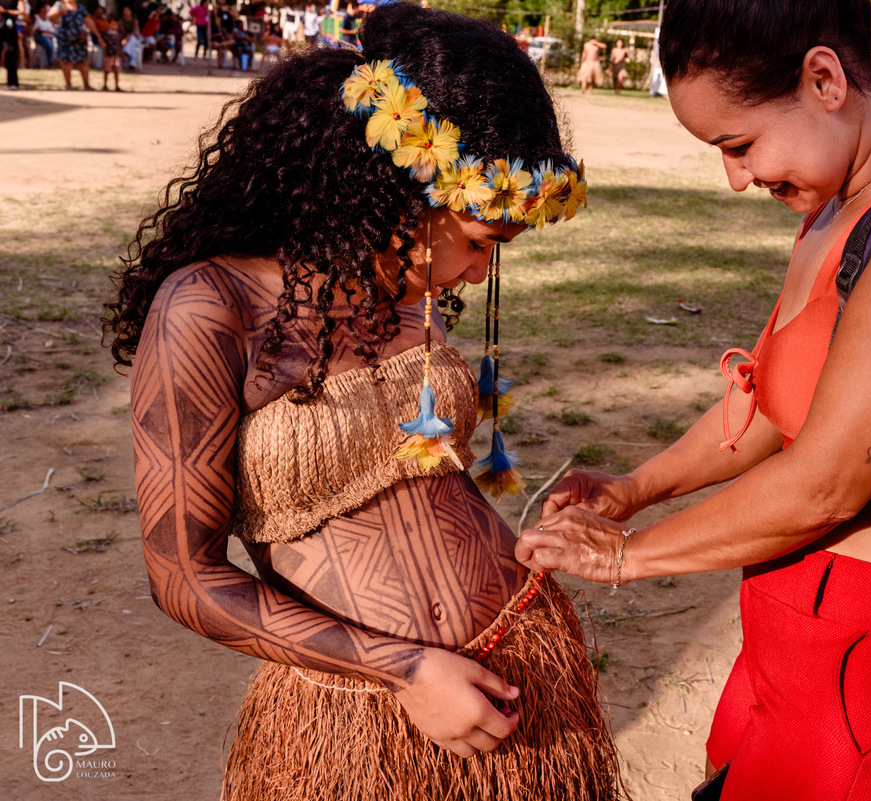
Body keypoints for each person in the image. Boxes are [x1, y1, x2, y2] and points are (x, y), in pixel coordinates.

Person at [514, 0, 871, 799]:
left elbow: (826, 481)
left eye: (739, 144)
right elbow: (769, 407)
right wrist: (633, 489)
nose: (736, 178)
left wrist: (626, 555)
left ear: (824, 77)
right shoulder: (844, 203)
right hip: (789, 644)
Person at [106, 4, 616, 800]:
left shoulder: (403, 294)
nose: (480, 276)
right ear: (394, 183)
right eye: (481, 242)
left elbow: (415, 477)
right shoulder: (210, 308)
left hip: (521, 659)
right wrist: (404, 668)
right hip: (356, 712)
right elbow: (185, 576)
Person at [50, 0, 92, 90]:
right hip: (64, 39)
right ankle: (68, 84)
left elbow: (89, 21)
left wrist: (98, 35)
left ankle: (86, 85)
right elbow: (50, 18)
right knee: (66, 62)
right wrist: (59, 13)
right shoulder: (59, 5)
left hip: (79, 39)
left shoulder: (80, 7)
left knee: (83, 61)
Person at [92, 6, 122, 91]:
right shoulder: (105, 33)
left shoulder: (119, 33)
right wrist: (102, 43)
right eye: (112, 24)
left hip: (116, 55)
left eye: (115, 24)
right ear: (108, 24)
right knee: (107, 70)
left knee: (116, 71)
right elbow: (101, 40)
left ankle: (117, 86)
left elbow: (122, 41)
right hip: (108, 54)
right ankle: (105, 85)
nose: (114, 26)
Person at [1, 0, 25, 89]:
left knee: (11, 54)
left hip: (10, 29)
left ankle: (12, 82)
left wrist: (6, 11)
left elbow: (22, 11)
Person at [30, 1, 53, 69]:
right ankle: (50, 63)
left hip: (50, 36)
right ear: (41, 9)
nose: (48, 9)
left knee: (51, 43)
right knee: (49, 44)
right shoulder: (35, 17)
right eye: (46, 7)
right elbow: (35, 30)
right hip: (39, 37)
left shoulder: (49, 18)